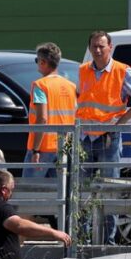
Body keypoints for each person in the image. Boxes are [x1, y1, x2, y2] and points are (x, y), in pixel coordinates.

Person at [77, 30, 131, 244]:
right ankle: (83, 240)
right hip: (85, 138)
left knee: (109, 190)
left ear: (110, 47)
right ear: (90, 48)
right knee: (83, 191)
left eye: (102, 46)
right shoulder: (83, 70)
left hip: (109, 138)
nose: (98, 50)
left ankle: (107, 242)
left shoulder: (121, 71)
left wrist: (121, 122)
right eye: (94, 46)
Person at [24, 42, 77, 179]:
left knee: (29, 191)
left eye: (37, 60)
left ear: (43, 62)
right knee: (57, 193)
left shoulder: (40, 86)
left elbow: (42, 118)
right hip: (63, 149)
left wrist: (36, 150)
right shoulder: (71, 86)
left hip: (43, 148)